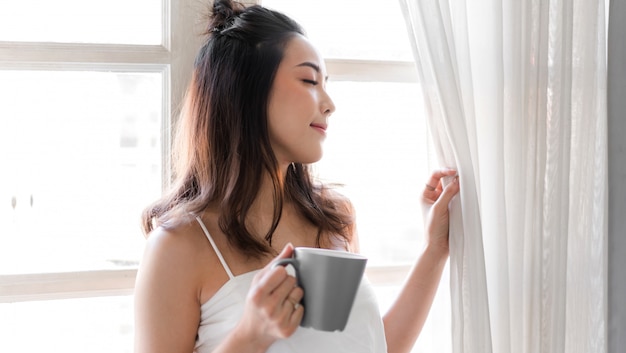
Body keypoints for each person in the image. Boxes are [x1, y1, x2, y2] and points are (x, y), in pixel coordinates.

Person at [133, 1, 460, 352]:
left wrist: (434, 250)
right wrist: (250, 336)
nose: (329, 102)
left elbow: (374, 345)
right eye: (309, 80)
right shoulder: (178, 246)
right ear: (247, 92)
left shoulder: (334, 219)